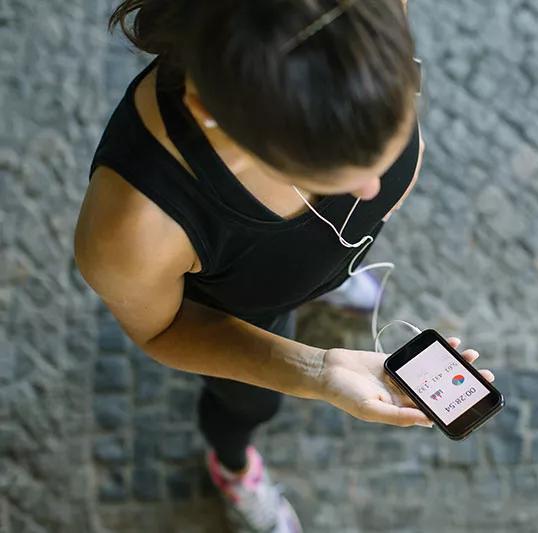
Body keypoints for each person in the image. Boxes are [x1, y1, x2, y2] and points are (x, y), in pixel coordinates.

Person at [74, 0, 494, 531]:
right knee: (247, 408)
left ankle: (325, 278)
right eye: (329, 175)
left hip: (307, 261)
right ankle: (233, 468)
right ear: (215, 114)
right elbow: (162, 329)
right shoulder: (132, 229)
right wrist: (316, 371)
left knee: (314, 268)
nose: (371, 190)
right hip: (246, 312)